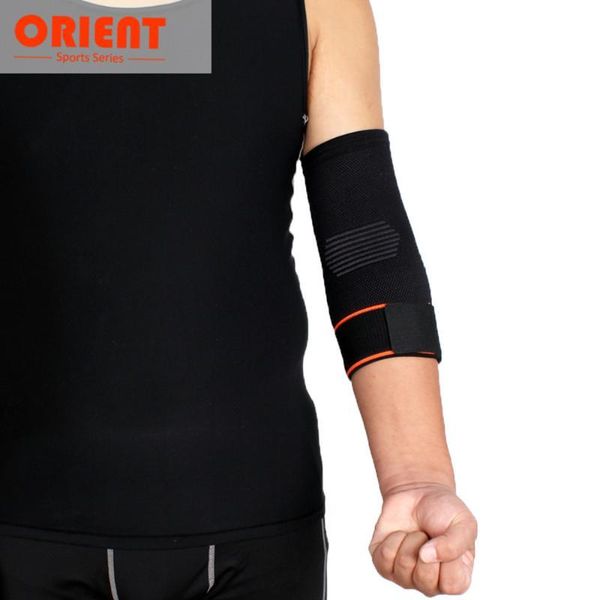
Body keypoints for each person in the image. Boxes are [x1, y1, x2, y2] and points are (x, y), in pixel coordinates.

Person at [0, 0, 477, 597]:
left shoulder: (319, 7)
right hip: (20, 523)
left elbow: (364, 244)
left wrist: (415, 476)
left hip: (255, 531)